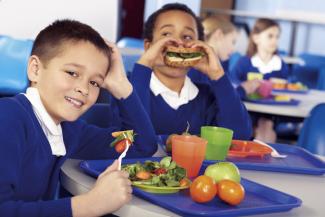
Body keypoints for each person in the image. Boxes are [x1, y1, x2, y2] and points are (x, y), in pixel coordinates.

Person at [0, 19, 157, 217]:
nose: (84, 88)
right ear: (35, 69)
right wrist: (89, 205)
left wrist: (120, 85)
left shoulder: (69, 130)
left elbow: (141, 144)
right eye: (72, 73)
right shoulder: (7, 118)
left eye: (94, 82)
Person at [129, 3, 252, 147]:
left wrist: (218, 76)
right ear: (148, 47)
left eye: (187, 36)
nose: (178, 42)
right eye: (166, 34)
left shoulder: (207, 97)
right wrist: (144, 64)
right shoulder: (127, 90)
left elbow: (240, 136)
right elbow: (128, 139)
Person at [231, 18, 289, 143]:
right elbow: (233, 85)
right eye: (270, 36)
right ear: (256, 38)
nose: (275, 40)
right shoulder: (244, 62)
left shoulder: (280, 64)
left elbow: (284, 90)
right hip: (247, 110)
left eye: (277, 37)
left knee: (266, 126)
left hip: (271, 112)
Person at [188, 15, 238, 83]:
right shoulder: (195, 66)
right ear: (219, 34)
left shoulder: (222, 64)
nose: (234, 49)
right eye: (233, 42)